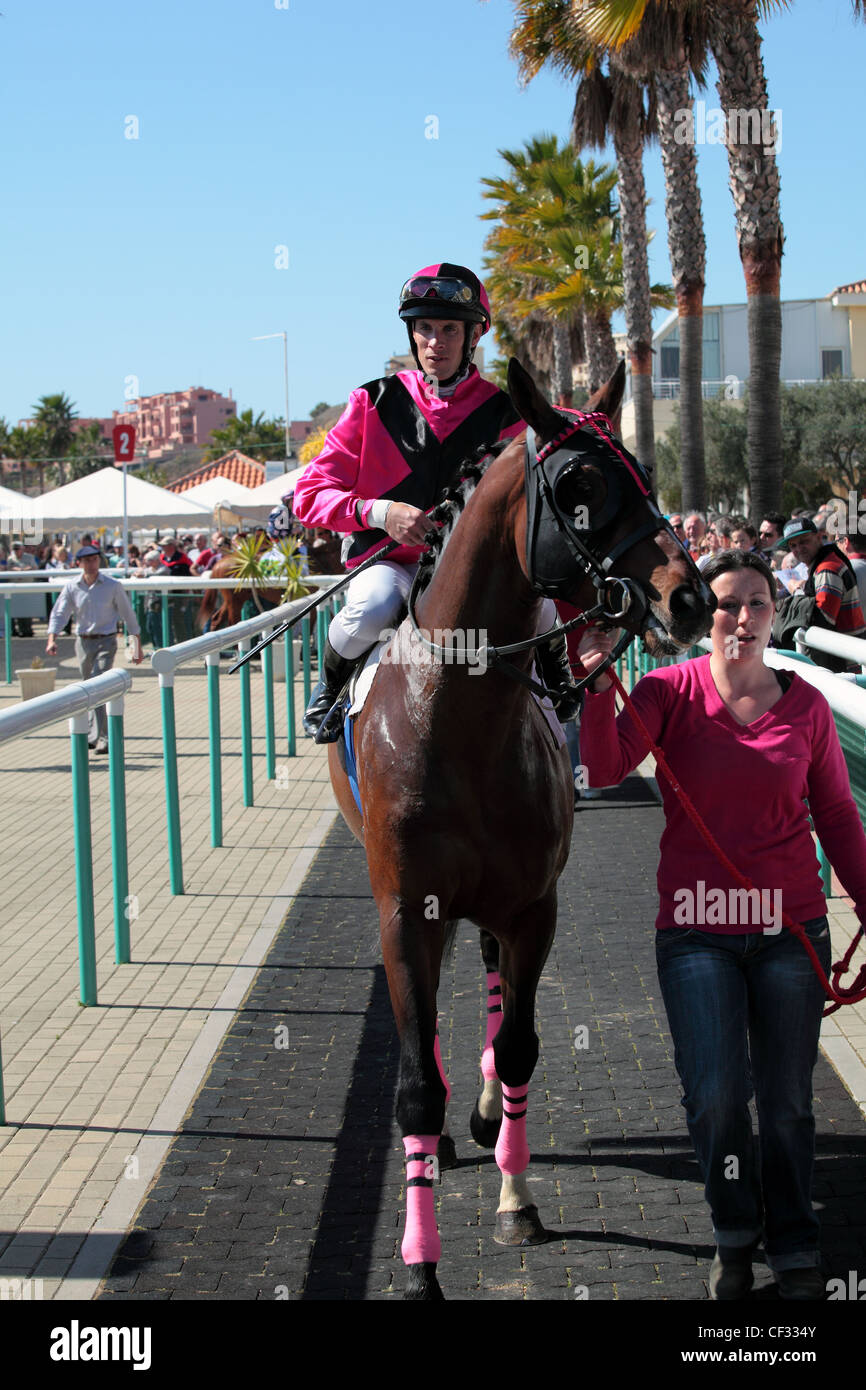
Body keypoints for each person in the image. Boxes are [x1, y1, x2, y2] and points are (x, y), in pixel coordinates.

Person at [577, 549, 866, 1300]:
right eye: (728, 603)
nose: (742, 617)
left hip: (791, 929)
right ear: (706, 614)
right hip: (696, 930)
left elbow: (835, 811)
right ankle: (735, 1233)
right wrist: (592, 681)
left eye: (758, 603)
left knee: (788, 1101)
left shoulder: (805, 706)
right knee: (713, 1094)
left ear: (777, 613)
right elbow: (604, 769)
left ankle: (796, 1243)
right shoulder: (666, 691)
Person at [291, 261, 577, 740]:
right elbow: (308, 496)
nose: (435, 342)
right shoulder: (370, 402)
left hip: (476, 568)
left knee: (542, 605)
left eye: (449, 329)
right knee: (375, 606)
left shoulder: (508, 416)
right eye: (424, 328)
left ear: (473, 338)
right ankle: (330, 688)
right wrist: (379, 512)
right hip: (390, 564)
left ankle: (559, 680)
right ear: (411, 334)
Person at [46, 544, 144, 751]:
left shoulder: (112, 585)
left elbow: (128, 614)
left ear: (99, 561)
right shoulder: (73, 586)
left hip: (106, 640)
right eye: (87, 561)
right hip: (83, 641)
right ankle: (93, 733)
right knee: (87, 686)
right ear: (79, 563)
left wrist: (137, 645)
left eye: (94, 560)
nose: (91, 564)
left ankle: (105, 737)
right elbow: (60, 613)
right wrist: (51, 638)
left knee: (99, 684)